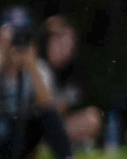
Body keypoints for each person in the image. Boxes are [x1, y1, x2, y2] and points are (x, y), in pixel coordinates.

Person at [0, 7, 76, 159]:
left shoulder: (38, 69)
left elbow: (47, 104)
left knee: (48, 113)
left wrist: (31, 65)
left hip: (21, 137)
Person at [41, 16, 102, 148]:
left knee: (92, 117)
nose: (67, 49)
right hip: (37, 124)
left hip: (59, 123)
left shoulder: (75, 70)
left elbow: (68, 107)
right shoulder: (38, 66)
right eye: (61, 43)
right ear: (49, 42)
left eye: (70, 44)